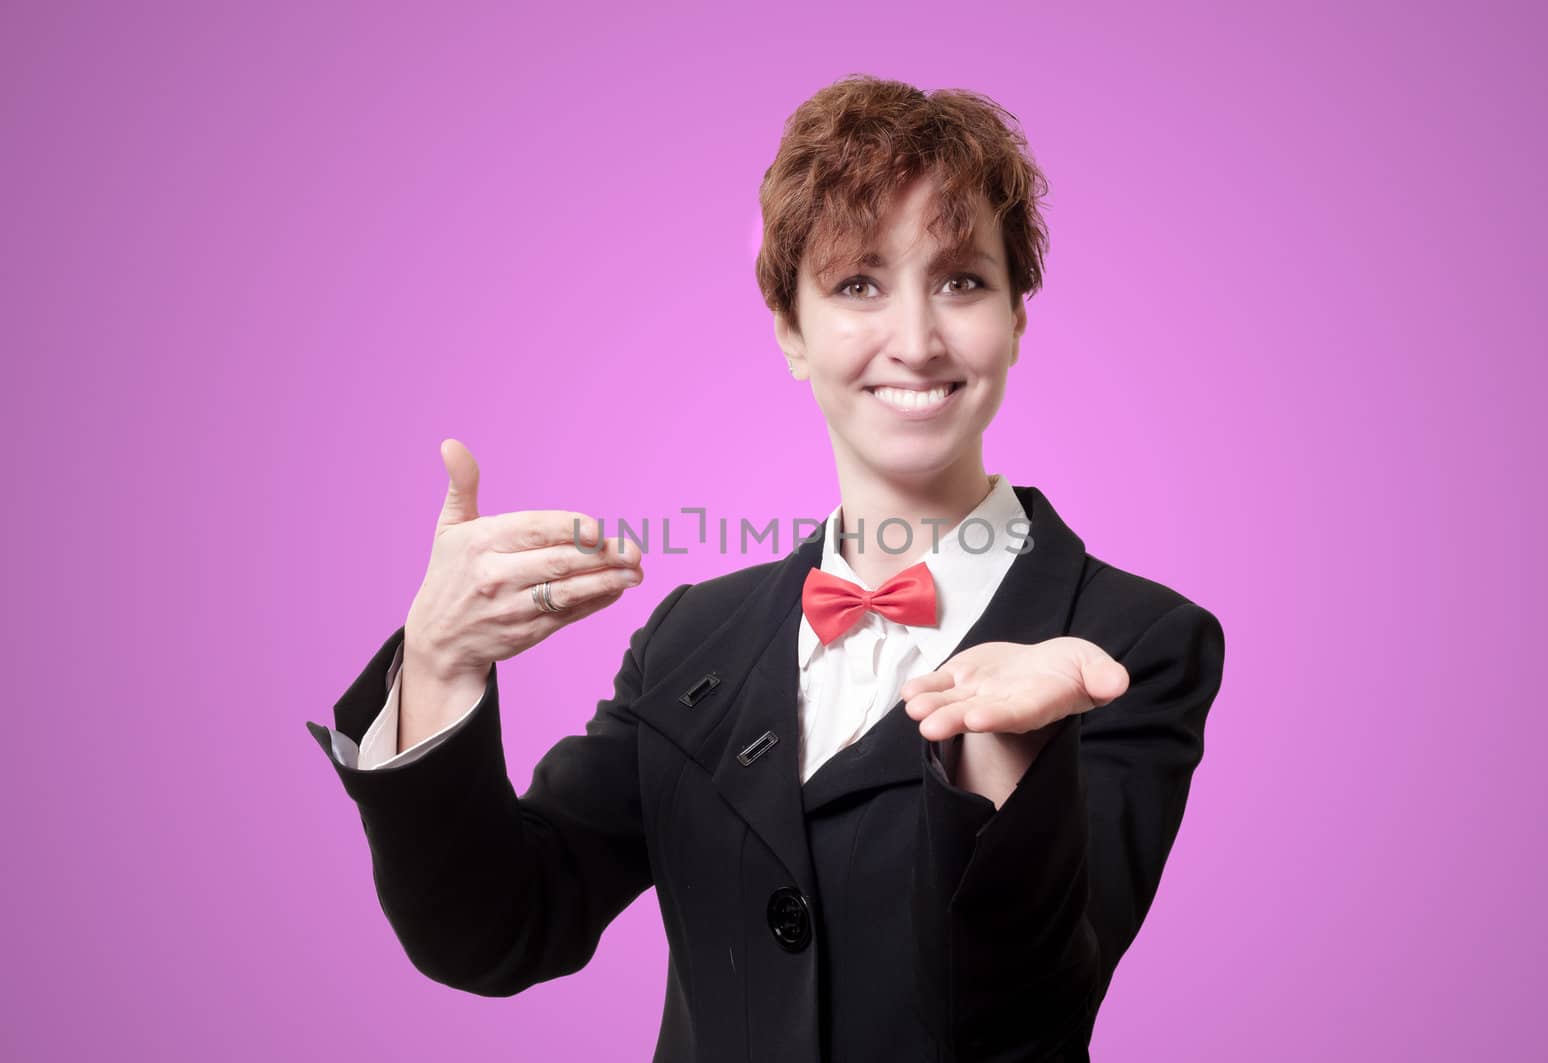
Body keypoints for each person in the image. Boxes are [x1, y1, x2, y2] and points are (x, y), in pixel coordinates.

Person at [306, 73, 1226, 1062]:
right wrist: (440, 665)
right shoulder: (690, 635)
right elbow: (501, 930)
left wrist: (1004, 757)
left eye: (962, 280)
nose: (914, 343)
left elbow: (1024, 1016)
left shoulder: (1134, 642)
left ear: (1016, 321)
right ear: (790, 330)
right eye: (857, 284)